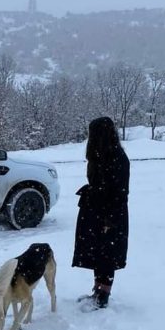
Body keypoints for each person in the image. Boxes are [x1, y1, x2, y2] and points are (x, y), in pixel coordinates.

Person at [72, 116, 130, 310]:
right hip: (95, 209)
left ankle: (103, 295)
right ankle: (97, 290)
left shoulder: (118, 158)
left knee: (107, 254)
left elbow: (120, 193)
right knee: (97, 252)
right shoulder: (98, 155)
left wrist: (110, 220)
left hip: (110, 213)